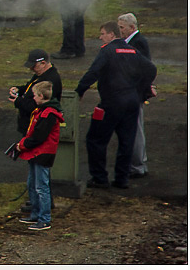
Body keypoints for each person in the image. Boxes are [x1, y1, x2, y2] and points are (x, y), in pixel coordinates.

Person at [75, 22, 156, 189]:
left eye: (103, 33)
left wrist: (79, 91)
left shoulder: (107, 51)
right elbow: (151, 68)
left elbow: (93, 72)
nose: (100, 37)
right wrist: (143, 88)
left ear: (112, 35)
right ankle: (122, 179)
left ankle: (100, 178)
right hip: (132, 102)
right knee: (126, 141)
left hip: (111, 103)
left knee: (95, 139)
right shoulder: (133, 50)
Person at [15, 81, 64, 231]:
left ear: (41, 96)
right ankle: (36, 214)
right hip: (37, 152)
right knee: (33, 184)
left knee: (41, 186)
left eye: (35, 95)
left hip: (42, 153)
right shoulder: (43, 111)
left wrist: (22, 145)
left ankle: (44, 218)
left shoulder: (47, 114)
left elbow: (39, 136)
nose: (33, 98)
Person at [118, 13, 152, 179]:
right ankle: (139, 163)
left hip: (134, 93)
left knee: (135, 129)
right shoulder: (133, 41)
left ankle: (137, 165)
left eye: (122, 27)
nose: (120, 31)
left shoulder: (138, 43)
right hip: (134, 92)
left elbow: (144, 68)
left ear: (132, 27)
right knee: (135, 128)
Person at [9, 49, 63, 136]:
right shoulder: (41, 74)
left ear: (43, 63)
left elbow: (36, 106)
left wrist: (18, 101)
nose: (31, 69)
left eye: (33, 66)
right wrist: (19, 89)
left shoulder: (50, 80)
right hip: (32, 124)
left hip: (37, 126)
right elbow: (31, 87)